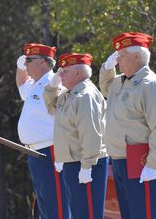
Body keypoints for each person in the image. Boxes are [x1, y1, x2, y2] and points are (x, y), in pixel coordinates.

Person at [99, 32, 156, 219]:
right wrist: (107, 68)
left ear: (136, 56)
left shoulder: (150, 84)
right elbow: (106, 88)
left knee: (144, 214)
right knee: (129, 214)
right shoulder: (120, 82)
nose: (118, 61)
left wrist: (153, 164)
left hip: (140, 160)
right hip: (119, 159)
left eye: (121, 56)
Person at [43, 53, 108, 219]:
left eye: (64, 71)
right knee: (79, 213)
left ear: (78, 73)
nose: (60, 75)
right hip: (72, 163)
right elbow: (52, 108)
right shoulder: (68, 95)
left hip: (85, 163)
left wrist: (87, 166)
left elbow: (91, 134)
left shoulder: (86, 96)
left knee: (87, 214)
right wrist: (53, 85)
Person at [15, 43, 69, 219]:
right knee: (44, 203)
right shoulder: (36, 85)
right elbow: (21, 84)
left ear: (43, 62)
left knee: (56, 203)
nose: (26, 65)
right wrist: (19, 65)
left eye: (29, 60)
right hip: (35, 151)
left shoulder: (54, 84)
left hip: (51, 150)